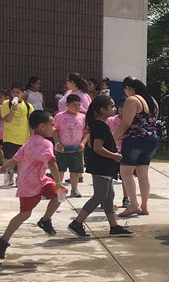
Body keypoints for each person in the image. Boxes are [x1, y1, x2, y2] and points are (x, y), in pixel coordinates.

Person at [0, 110, 66, 258]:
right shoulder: (45, 143)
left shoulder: (28, 142)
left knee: (60, 194)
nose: (54, 128)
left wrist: (1, 168)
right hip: (29, 184)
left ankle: (45, 221)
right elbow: (52, 164)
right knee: (25, 214)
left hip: (40, 180)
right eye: (52, 125)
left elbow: (14, 160)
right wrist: (58, 182)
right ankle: (2, 240)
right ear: (41, 126)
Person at [68, 95, 134, 240]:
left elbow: (94, 146)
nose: (114, 109)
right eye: (111, 107)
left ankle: (114, 226)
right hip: (101, 166)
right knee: (100, 196)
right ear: (102, 110)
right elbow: (97, 148)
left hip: (104, 166)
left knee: (109, 196)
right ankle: (77, 222)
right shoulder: (100, 126)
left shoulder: (100, 125)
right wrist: (114, 156)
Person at [116, 78, 160, 217]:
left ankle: (134, 205)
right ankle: (144, 206)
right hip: (151, 139)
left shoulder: (132, 100)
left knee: (126, 172)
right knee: (143, 174)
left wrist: (113, 137)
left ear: (128, 88)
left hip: (134, 140)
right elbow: (153, 121)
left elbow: (126, 123)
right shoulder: (152, 101)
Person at [53, 93, 88, 197]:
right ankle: (58, 189)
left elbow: (87, 132)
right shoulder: (59, 116)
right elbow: (55, 130)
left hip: (76, 148)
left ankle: (74, 188)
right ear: (67, 105)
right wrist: (57, 143)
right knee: (60, 169)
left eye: (78, 105)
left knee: (75, 170)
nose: (77, 107)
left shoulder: (82, 117)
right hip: (62, 148)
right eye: (74, 105)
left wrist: (83, 143)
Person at [0, 83, 32, 181]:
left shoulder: (28, 106)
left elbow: (31, 124)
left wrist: (32, 137)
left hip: (23, 138)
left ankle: (20, 179)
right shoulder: (6, 104)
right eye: (13, 92)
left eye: (18, 92)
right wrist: (13, 110)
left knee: (21, 160)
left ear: (23, 93)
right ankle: (9, 178)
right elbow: (7, 119)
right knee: (8, 159)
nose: (16, 94)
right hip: (9, 137)